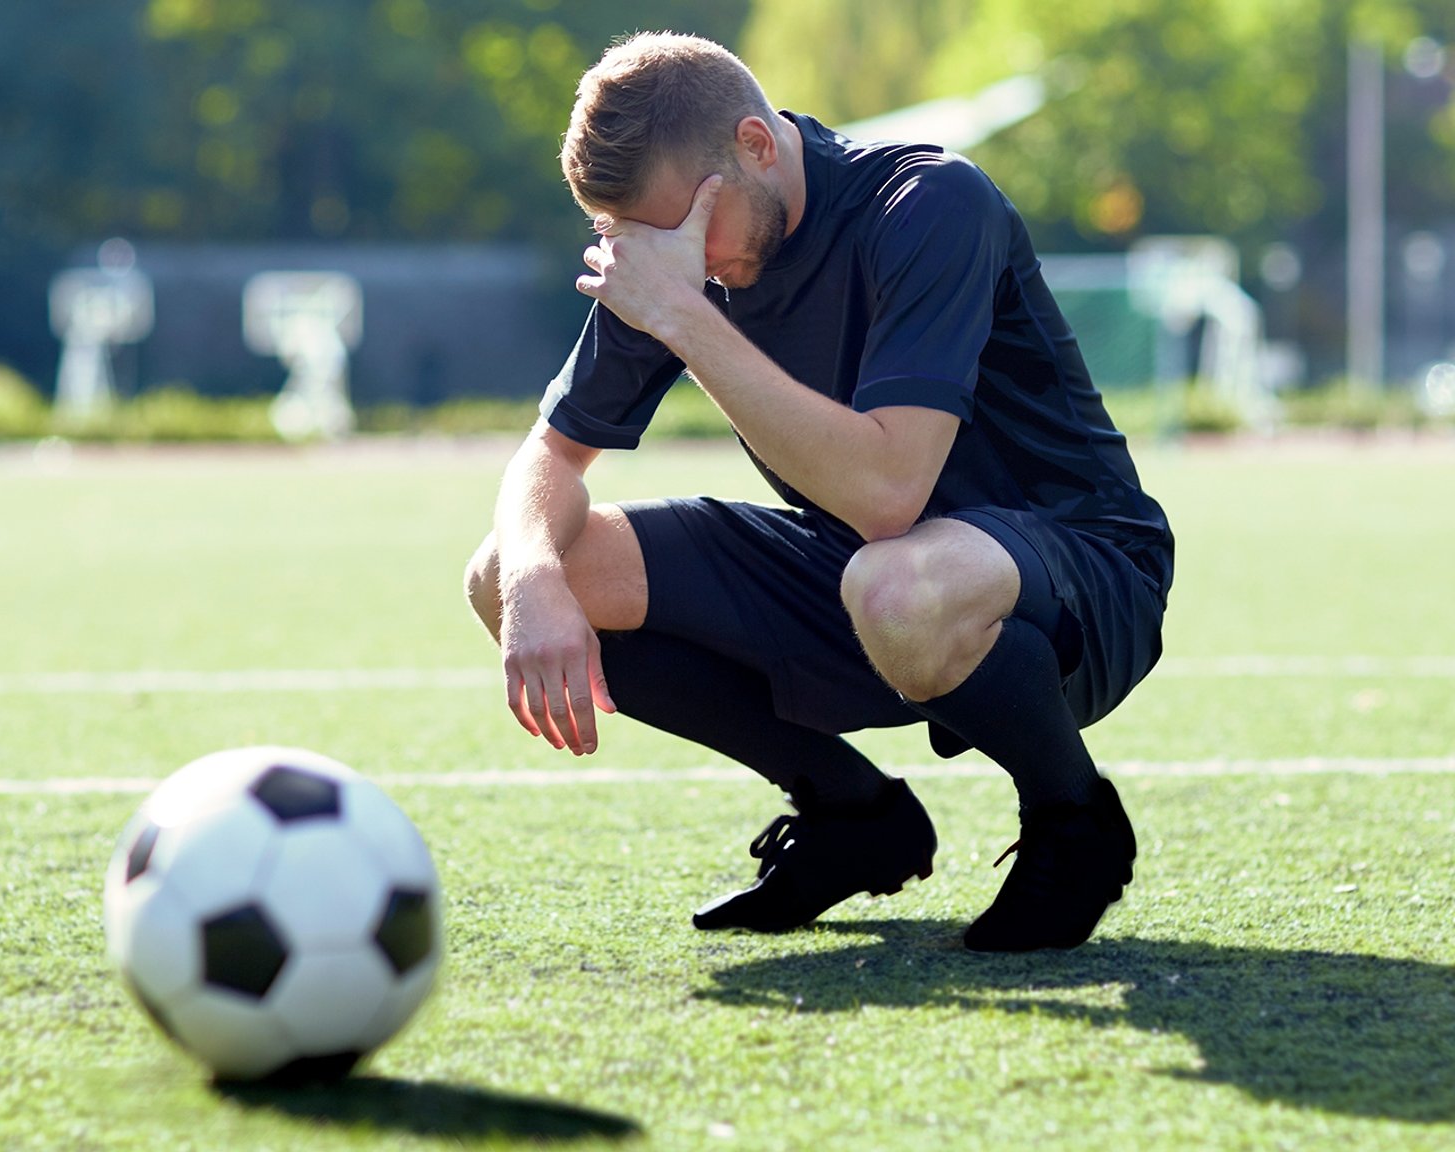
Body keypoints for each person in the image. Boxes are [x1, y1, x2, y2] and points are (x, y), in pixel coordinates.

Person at [462, 32, 1172, 952]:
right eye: (640, 241)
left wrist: (682, 317)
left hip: (1076, 567)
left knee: (898, 584)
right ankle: (852, 815)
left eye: (686, 233)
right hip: (861, 572)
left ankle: (1073, 819)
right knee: (513, 568)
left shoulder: (929, 203)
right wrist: (529, 584)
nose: (688, 264)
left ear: (756, 145)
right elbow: (548, 459)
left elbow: (888, 492)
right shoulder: (679, 246)